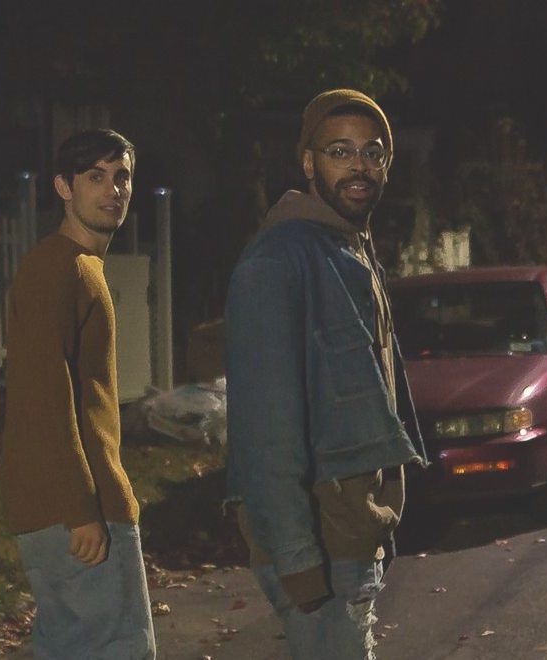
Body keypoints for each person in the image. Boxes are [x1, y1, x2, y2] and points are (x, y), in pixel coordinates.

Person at [225, 89, 425, 659]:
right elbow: (265, 423)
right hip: (319, 541)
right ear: (309, 164)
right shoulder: (279, 259)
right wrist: (295, 556)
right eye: (340, 151)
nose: (359, 166)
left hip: (352, 532)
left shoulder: (348, 249)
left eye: (372, 152)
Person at [0, 128, 156, 659]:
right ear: (64, 187)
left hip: (64, 505)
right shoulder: (58, 268)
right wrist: (80, 509)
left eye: (122, 177)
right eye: (95, 177)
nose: (113, 190)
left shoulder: (81, 267)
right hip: (79, 508)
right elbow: (44, 395)